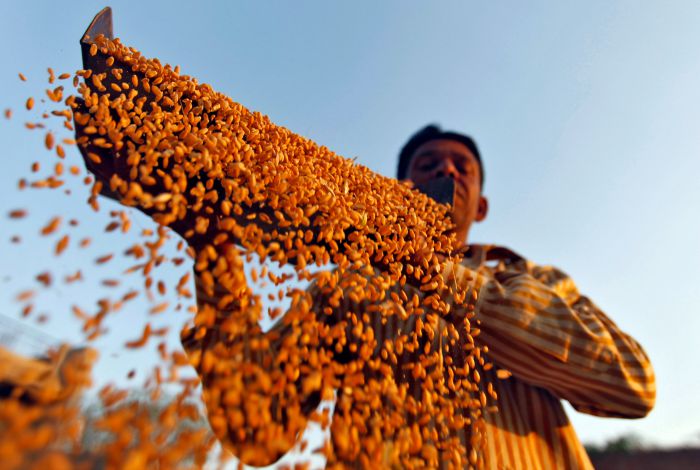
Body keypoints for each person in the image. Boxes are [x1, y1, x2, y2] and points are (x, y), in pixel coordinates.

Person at [390, 124, 656, 468]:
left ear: (481, 206)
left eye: (462, 166)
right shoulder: (357, 281)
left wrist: (441, 276)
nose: (446, 170)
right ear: (398, 190)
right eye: (427, 165)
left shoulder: (538, 280)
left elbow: (633, 384)